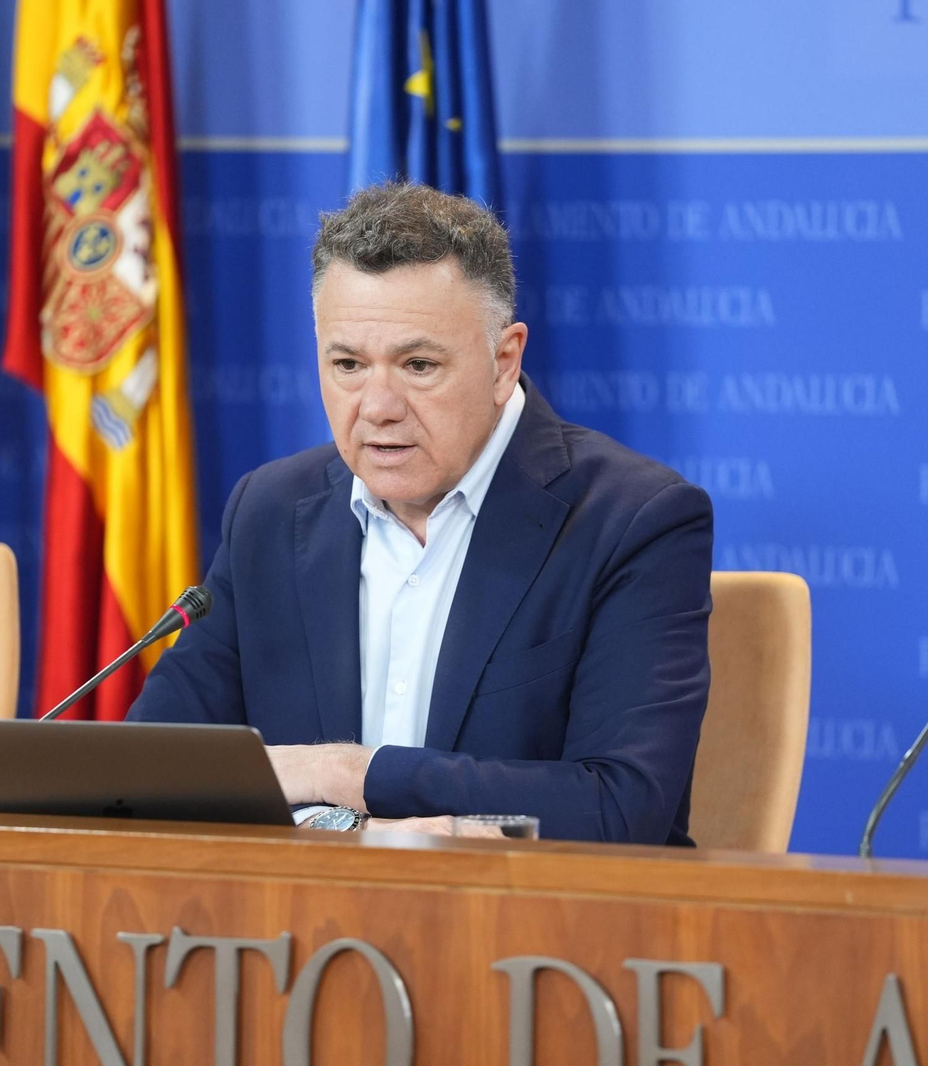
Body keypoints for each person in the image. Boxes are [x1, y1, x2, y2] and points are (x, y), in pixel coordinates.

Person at [127, 183, 713, 845]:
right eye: (348, 363)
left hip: (528, 932)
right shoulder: (269, 511)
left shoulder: (632, 521)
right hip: (297, 931)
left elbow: (617, 807)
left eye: (418, 364)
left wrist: (347, 772)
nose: (377, 405)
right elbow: (152, 768)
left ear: (504, 360)